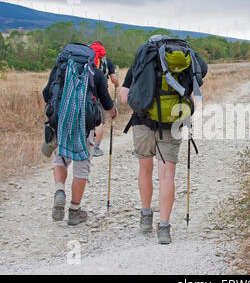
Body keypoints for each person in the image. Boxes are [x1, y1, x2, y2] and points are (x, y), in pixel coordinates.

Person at [119, 36, 207, 244]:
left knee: (145, 169)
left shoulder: (143, 59)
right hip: (172, 124)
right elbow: (196, 98)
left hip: (142, 121)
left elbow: (124, 98)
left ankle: (146, 216)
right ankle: (165, 227)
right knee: (167, 175)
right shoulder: (185, 61)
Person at [43, 43, 118, 226]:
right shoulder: (97, 74)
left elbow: (47, 94)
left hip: (60, 122)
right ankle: (75, 211)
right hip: (85, 125)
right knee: (81, 168)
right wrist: (114, 112)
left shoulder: (60, 69)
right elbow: (106, 103)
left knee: (60, 159)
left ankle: (60, 190)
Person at [89, 41, 120, 157]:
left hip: (86, 93)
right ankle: (95, 148)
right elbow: (113, 79)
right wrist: (117, 83)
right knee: (99, 120)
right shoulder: (108, 62)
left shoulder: (86, 60)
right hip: (101, 93)